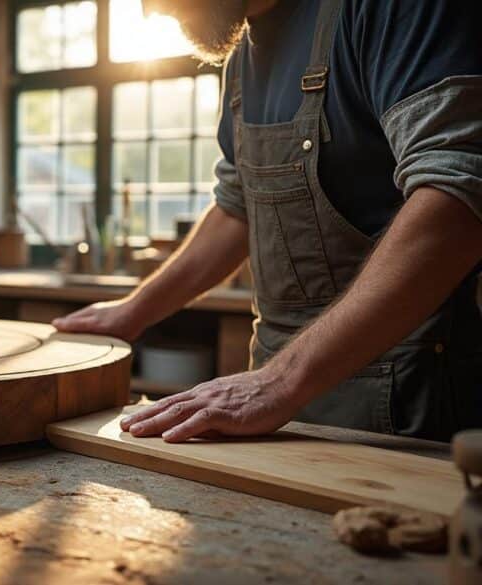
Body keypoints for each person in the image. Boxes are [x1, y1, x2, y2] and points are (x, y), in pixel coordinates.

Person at [53, 0, 482, 443]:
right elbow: (237, 206)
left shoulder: (386, 10)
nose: (148, 12)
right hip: (277, 398)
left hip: (405, 404)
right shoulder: (241, 57)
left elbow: (459, 192)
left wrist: (281, 382)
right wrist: (133, 311)